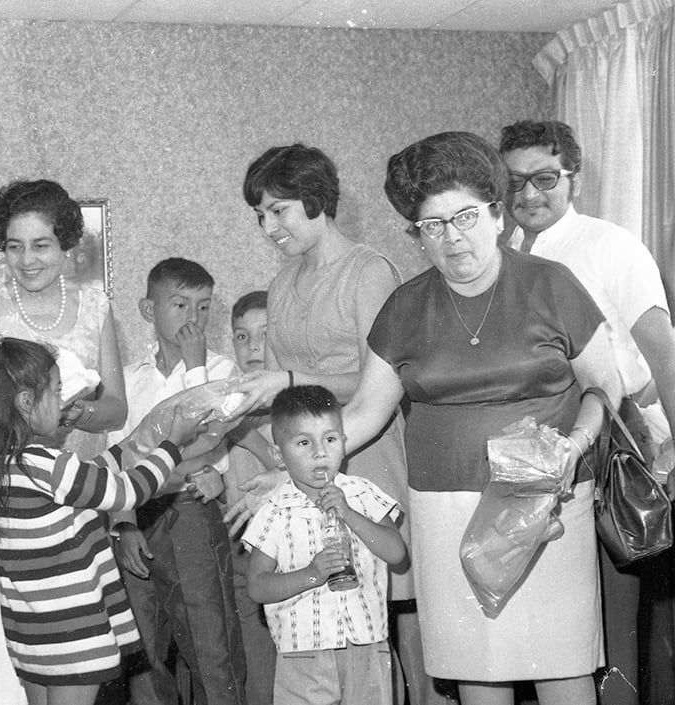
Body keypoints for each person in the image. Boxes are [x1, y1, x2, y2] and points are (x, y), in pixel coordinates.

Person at [232, 131, 621, 705]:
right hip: (445, 511)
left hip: (548, 503)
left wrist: (575, 446)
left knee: (561, 665)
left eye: (464, 217)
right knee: (476, 668)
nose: (452, 237)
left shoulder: (551, 285)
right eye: (431, 225)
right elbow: (364, 411)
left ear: (495, 213)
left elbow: (605, 387)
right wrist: (300, 469)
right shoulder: (406, 306)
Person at [240, 143, 426, 704]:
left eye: (280, 210)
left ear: (318, 200)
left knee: (394, 630)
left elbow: (384, 381)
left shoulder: (369, 271)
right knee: (327, 624)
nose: (269, 226)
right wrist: (279, 463)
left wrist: (290, 380)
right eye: (261, 215)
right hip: (304, 468)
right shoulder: (281, 282)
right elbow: (276, 396)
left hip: (367, 457)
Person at [499, 119, 675, 705]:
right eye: (514, 181)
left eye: (544, 178)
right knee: (558, 630)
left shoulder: (609, 245)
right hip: (541, 460)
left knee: (610, 628)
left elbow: (664, 355)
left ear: (573, 177)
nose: (527, 195)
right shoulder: (502, 255)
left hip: (614, 452)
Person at [0, 337, 217, 705]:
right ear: (27, 402)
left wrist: (134, 444)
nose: (64, 401)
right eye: (58, 391)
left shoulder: (2, 463)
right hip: (71, 633)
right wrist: (171, 444)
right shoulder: (47, 464)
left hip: (31, 631)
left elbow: (93, 476)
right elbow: (124, 493)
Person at [106, 258, 245, 705]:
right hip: (138, 514)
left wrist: (194, 364)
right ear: (149, 311)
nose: (193, 318)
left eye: (204, 307)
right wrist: (124, 525)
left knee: (210, 646)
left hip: (189, 513)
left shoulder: (221, 371)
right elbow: (119, 462)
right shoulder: (126, 381)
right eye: (181, 304)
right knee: (141, 652)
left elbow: (206, 434)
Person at [244, 385, 405, 705]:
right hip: (302, 653)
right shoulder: (274, 511)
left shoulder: (361, 494)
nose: (320, 452)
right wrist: (312, 574)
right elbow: (257, 586)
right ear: (278, 454)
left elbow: (396, 552)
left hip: (366, 645)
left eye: (330, 439)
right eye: (304, 442)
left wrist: (349, 514)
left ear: (344, 443)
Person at [0, 179, 127, 456]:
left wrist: (81, 412)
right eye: (15, 247)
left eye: (40, 246)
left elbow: (117, 408)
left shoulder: (96, 308)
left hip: (86, 479)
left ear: (65, 245)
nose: (26, 260)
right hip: (10, 483)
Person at [223, 290, 279, 705]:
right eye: (242, 337)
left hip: (296, 561)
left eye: (265, 333)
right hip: (244, 559)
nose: (253, 346)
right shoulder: (227, 404)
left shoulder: (299, 405)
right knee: (258, 674)